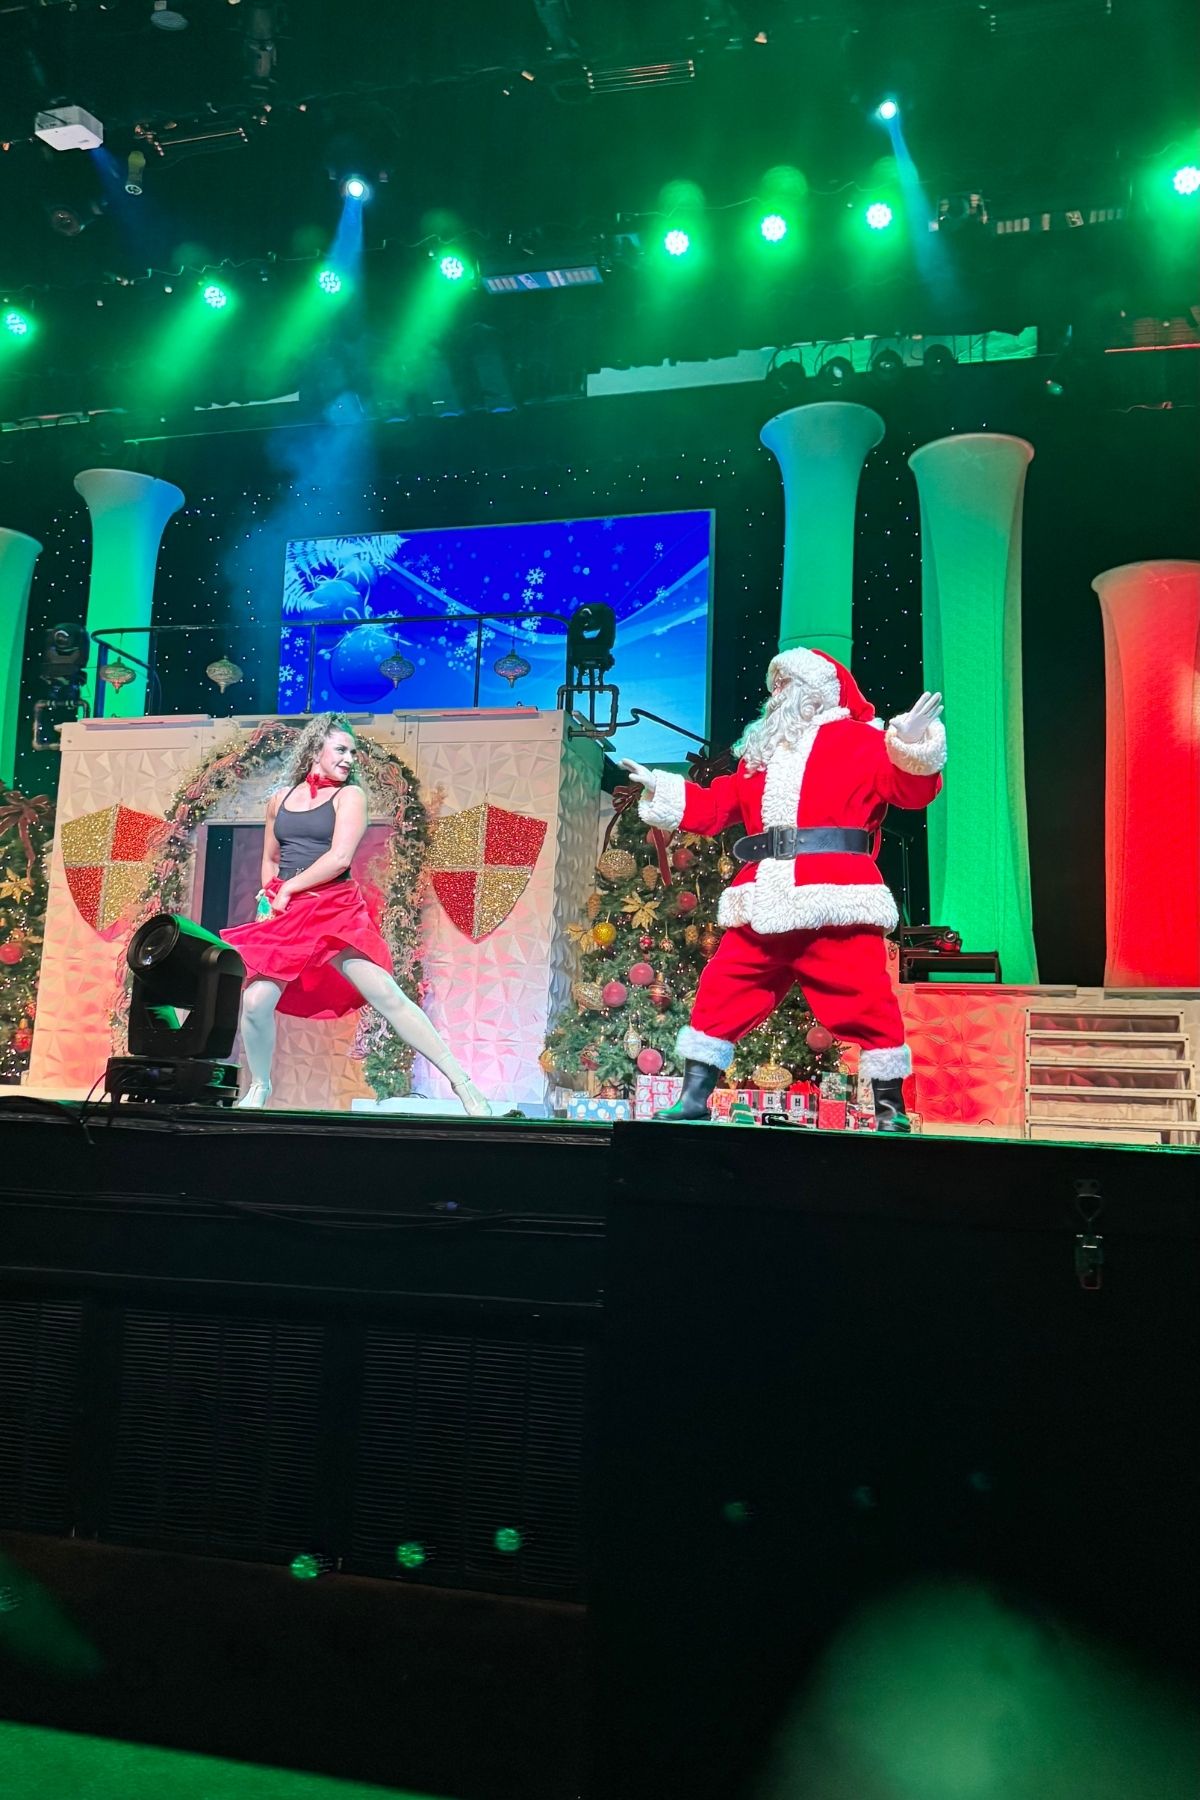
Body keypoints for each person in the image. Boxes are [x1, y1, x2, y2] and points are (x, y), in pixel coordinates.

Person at [620, 648, 945, 1131]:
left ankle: (890, 1108)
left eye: (788, 684)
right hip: (764, 897)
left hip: (834, 898)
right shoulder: (759, 757)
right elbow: (715, 809)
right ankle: (693, 1097)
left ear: (819, 692)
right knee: (722, 989)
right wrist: (662, 790)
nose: (778, 695)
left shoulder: (863, 740)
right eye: (776, 685)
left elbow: (911, 792)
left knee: (866, 997)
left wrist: (911, 744)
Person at [221, 713, 491, 1116]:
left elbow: (339, 857)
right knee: (257, 1001)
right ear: (316, 750)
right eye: (341, 750)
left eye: (353, 752)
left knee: (385, 995)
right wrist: (270, 897)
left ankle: (465, 1086)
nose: (350, 759)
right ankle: (259, 1086)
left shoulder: (350, 797)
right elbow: (271, 859)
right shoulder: (280, 799)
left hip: (333, 908)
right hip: (287, 915)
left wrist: (291, 887)